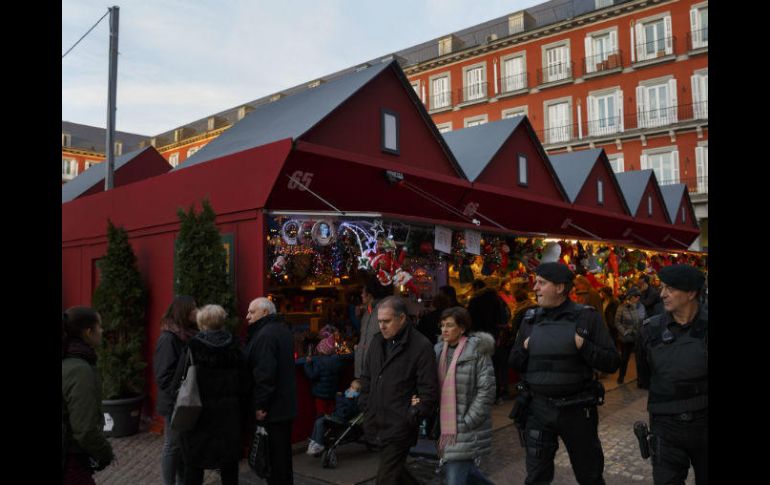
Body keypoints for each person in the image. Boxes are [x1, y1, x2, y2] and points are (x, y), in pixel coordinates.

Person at [509, 262, 620, 485]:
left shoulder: (587, 317)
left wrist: (584, 346)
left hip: (577, 410)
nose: (535, 288)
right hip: (538, 409)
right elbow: (514, 362)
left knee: (589, 475)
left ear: (560, 287)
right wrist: (526, 348)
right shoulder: (530, 319)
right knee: (536, 477)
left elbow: (611, 362)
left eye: (541, 283)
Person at [637, 265, 708, 484]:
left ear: (691, 293)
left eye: (670, 288)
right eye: (662, 287)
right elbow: (645, 377)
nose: (662, 294)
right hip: (665, 426)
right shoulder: (649, 330)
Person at [359, 296, 439, 484]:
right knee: (396, 471)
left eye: (386, 321)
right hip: (377, 420)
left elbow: (429, 391)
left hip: (400, 425)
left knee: (386, 478)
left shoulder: (421, 346)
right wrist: (365, 403)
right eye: (379, 321)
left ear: (402, 318)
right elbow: (367, 376)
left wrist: (412, 414)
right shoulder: (377, 342)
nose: (382, 326)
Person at [177, 305, 246, 485]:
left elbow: (180, 378)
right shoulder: (236, 346)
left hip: (199, 413)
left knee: (194, 464)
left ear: (201, 323)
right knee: (229, 466)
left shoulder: (193, 347)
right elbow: (246, 381)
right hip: (229, 414)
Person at [432, 306, 495, 485]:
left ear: (462, 328)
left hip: (466, 426)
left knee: (454, 478)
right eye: (442, 325)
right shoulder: (437, 351)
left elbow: (487, 389)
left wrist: (470, 420)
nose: (444, 329)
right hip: (445, 425)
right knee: (469, 475)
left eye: (449, 325)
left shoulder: (477, 351)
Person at [243, 297, 297, 485]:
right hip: (283, 406)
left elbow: (265, 374)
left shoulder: (265, 335)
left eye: (252, 312)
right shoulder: (281, 330)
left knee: (274, 462)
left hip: (272, 409)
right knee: (282, 460)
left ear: (265, 313)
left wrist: (260, 405)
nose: (247, 316)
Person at [62, 307, 115, 485]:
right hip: (70, 461)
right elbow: (84, 430)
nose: (102, 331)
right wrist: (105, 453)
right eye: (99, 326)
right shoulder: (80, 370)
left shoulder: (69, 360)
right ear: (88, 332)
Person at [153, 295, 198, 485]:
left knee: (181, 445)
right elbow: (163, 376)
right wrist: (180, 391)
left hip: (185, 400)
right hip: (174, 402)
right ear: (184, 312)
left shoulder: (187, 335)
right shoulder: (169, 338)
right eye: (193, 308)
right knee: (172, 445)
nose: (197, 311)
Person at [467, 279, 510, 403]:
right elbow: (505, 316)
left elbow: (469, 319)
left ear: (476, 288)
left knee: (480, 366)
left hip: (477, 336)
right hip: (494, 335)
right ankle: (496, 394)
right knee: (494, 366)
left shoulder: (474, 301)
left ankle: (483, 395)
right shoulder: (497, 299)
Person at [306, 379, 362, 456]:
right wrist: (342, 398)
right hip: (336, 417)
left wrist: (343, 398)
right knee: (319, 418)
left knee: (321, 421)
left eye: (352, 388)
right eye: (350, 386)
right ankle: (314, 440)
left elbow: (345, 412)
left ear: (357, 392)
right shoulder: (346, 396)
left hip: (341, 420)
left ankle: (319, 443)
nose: (349, 389)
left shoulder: (353, 400)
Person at [354, 276, 390, 379]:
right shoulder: (367, 311)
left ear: (370, 294)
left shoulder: (383, 310)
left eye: (363, 292)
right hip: (364, 368)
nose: (361, 295)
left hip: (375, 368)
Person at [304, 334, 344, 417]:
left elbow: (311, 375)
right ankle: (331, 429)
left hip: (320, 395)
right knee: (332, 415)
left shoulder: (319, 362)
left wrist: (308, 364)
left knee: (321, 416)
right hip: (332, 394)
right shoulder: (337, 361)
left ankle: (321, 429)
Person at [614, 287, 645, 384]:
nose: (638, 298)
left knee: (640, 359)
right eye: (635, 296)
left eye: (638, 296)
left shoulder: (641, 307)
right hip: (626, 338)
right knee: (624, 358)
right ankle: (621, 376)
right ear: (630, 297)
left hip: (638, 337)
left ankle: (641, 379)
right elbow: (617, 322)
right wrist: (625, 332)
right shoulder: (622, 307)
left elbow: (644, 320)